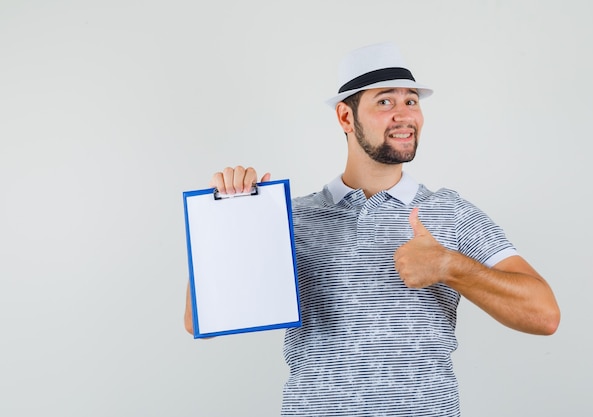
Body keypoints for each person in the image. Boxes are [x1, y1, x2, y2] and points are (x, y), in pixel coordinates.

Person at [184, 42, 560, 416]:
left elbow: (544, 315)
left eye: (411, 101)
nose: (404, 114)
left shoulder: (449, 211)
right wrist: (230, 219)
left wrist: (450, 266)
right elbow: (200, 319)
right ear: (346, 118)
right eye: (385, 102)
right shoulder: (291, 218)